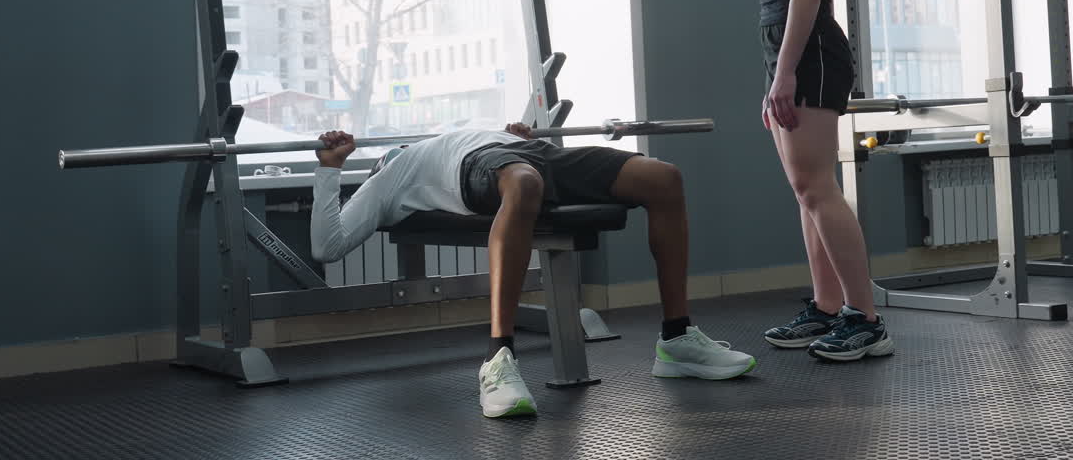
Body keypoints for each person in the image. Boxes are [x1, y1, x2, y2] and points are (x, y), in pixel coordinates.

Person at [309, 123, 756, 418]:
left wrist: (511, 133)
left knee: (664, 177)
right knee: (524, 183)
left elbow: (509, 155)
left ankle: (677, 340)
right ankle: (497, 360)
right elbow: (328, 245)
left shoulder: (457, 134)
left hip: (526, 151)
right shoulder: (386, 177)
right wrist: (330, 169)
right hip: (487, 169)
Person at [745, 0, 894, 362]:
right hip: (788, 57)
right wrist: (774, 77)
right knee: (806, 192)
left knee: (817, 189)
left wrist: (784, 73)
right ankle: (828, 307)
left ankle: (866, 319)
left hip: (809, 56)